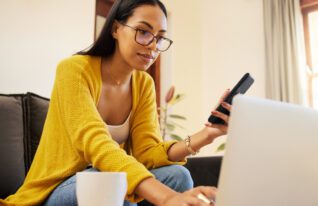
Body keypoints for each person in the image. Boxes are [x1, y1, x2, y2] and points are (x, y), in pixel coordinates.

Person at [1, 0, 232, 205]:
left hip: (106, 181)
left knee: (179, 176)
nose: (153, 46)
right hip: (54, 190)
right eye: (143, 32)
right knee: (112, 185)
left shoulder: (143, 84)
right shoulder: (73, 70)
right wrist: (166, 197)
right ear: (115, 29)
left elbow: (147, 152)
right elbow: (98, 145)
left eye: (160, 38)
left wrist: (208, 134)